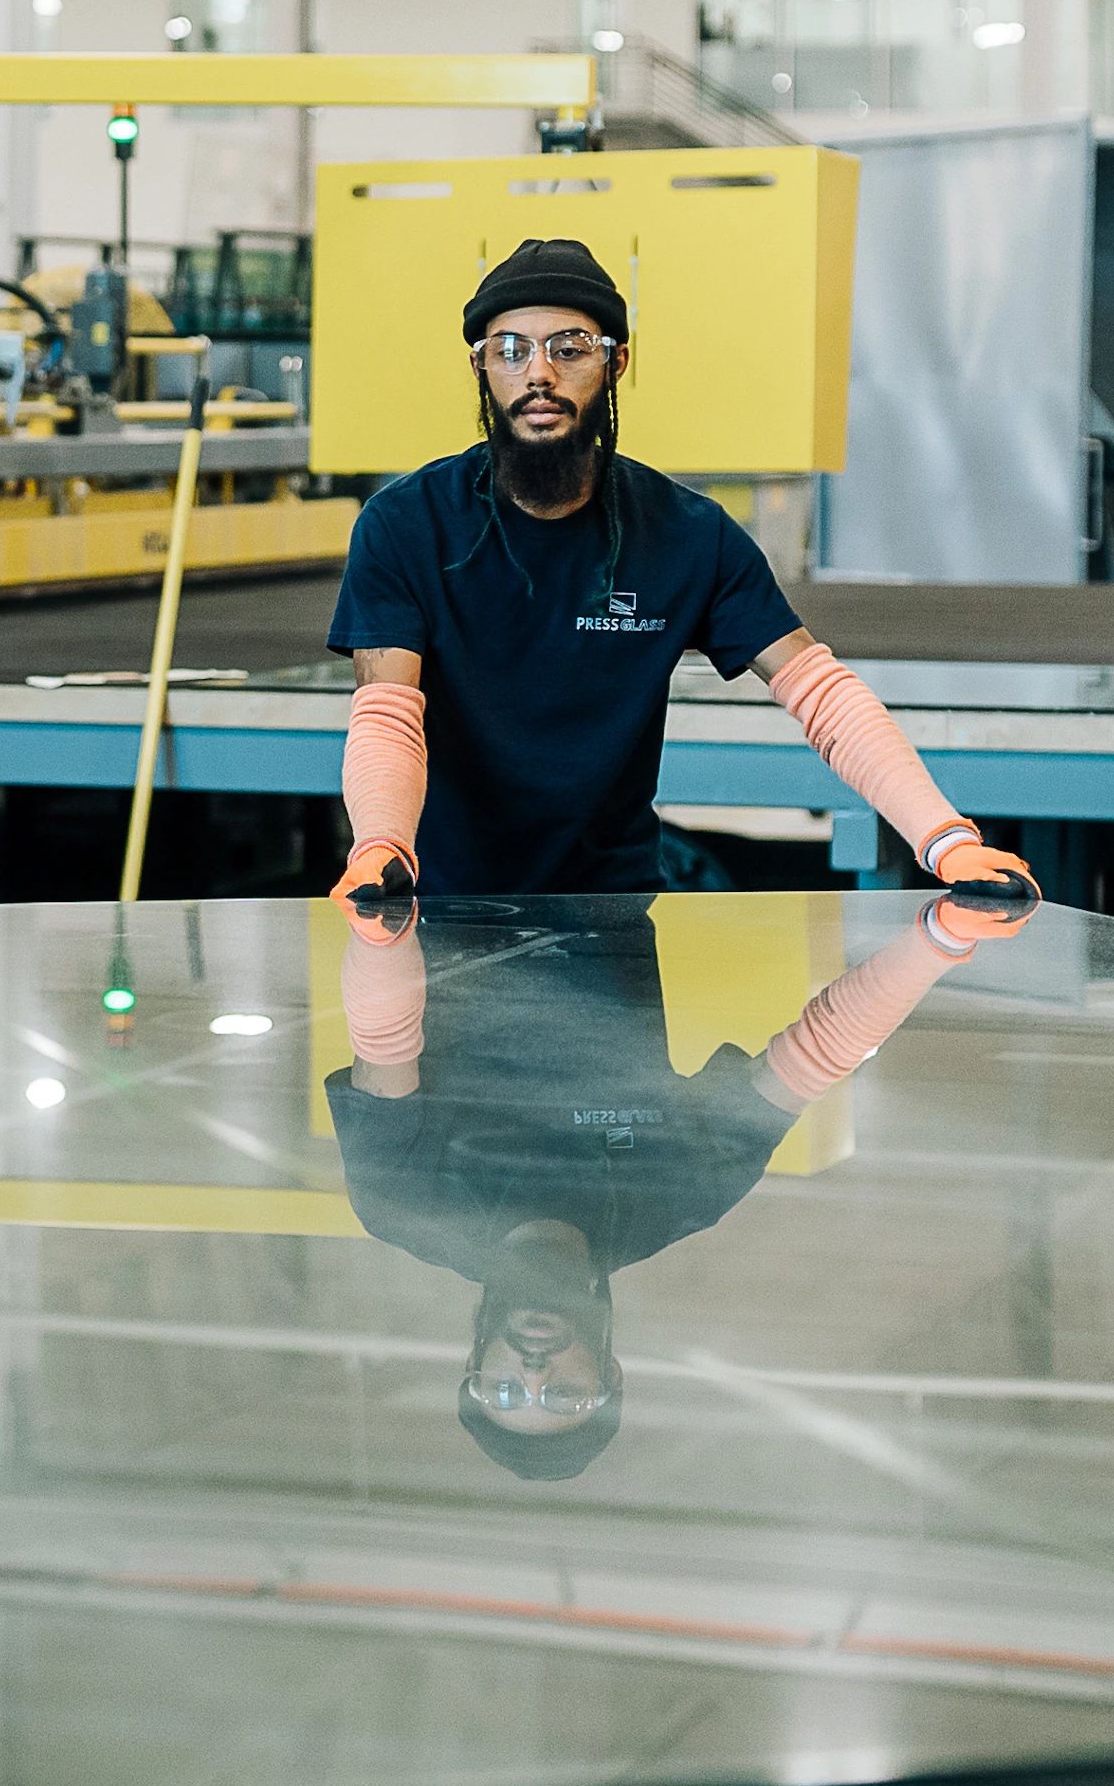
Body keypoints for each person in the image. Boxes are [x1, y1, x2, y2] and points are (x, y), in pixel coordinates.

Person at [325, 235, 1039, 915]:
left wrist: (945, 838)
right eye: (510, 350)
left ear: (616, 360)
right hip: (439, 908)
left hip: (613, 914)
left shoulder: (686, 535)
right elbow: (389, 713)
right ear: (482, 367)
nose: (538, 371)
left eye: (569, 348)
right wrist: (382, 845)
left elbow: (820, 693)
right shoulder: (406, 526)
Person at [335, 889, 1010, 1478]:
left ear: (475, 1368)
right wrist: (940, 939)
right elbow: (813, 1054)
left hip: (442, 869)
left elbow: (385, 1039)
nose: (533, 1374)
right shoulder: (679, 1197)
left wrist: (382, 924)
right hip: (600, 860)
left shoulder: (404, 1205)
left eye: (506, 1394)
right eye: (565, 1396)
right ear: (609, 1374)